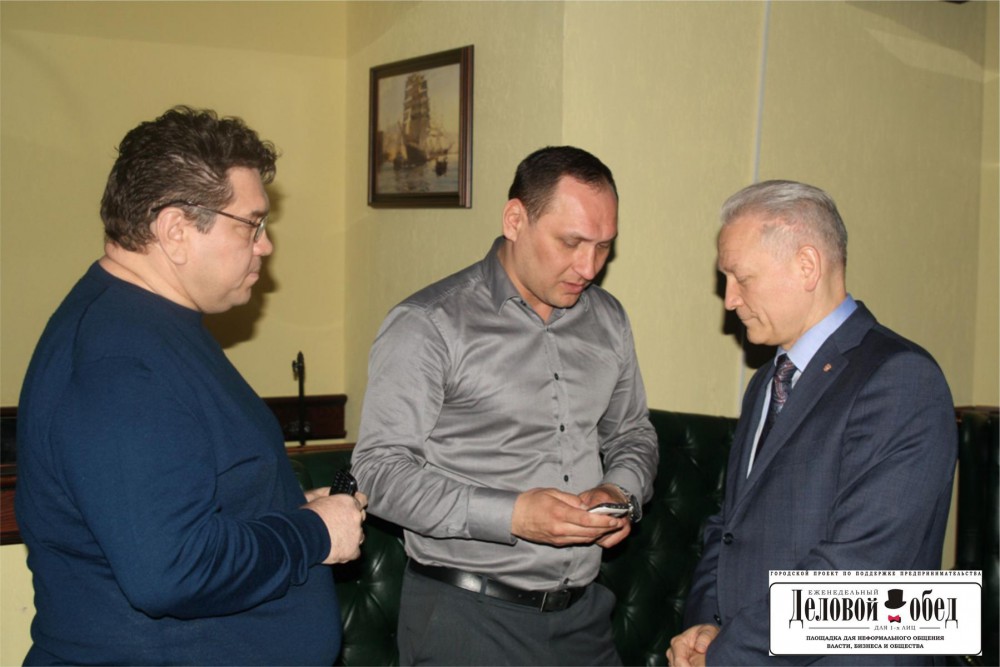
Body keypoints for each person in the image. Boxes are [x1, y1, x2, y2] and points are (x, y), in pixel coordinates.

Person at [15, 106, 367, 666]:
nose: (264, 245)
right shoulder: (120, 362)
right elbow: (171, 569)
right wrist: (312, 534)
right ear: (176, 230)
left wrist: (279, 506)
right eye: (251, 224)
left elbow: (171, 500)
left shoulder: (152, 327)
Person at [351, 146, 659, 666]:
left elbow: (632, 432)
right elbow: (378, 472)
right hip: (465, 619)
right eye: (571, 242)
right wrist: (512, 515)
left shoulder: (608, 319)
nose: (589, 267)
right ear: (515, 220)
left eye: (604, 246)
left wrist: (621, 493)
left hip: (585, 618)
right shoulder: (428, 324)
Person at [667, 180, 957, 666]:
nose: (730, 299)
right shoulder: (767, 382)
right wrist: (704, 626)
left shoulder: (901, 379)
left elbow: (857, 576)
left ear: (806, 266)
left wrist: (726, 654)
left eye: (741, 278)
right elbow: (729, 528)